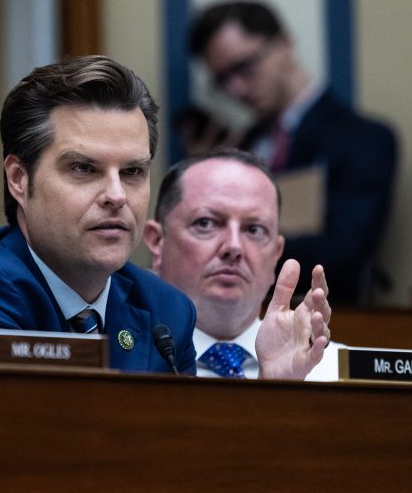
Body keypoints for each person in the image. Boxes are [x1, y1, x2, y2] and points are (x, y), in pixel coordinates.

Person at [0, 55, 330, 377]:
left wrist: (273, 393)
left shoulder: (164, 310)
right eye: (83, 169)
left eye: (132, 172)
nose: (116, 195)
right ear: (19, 178)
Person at [188, 0, 398, 305]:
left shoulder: (364, 139)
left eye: (243, 67)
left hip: (326, 321)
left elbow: (345, 253)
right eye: (223, 81)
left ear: (284, 44)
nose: (236, 90)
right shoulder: (239, 147)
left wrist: (242, 242)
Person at [144, 148, 342, 380]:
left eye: (254, 229)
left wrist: (284, 394)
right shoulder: (116, 363)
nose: (234, 247)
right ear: (157, 242)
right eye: (206, 223)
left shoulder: (339, 374)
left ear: (276, 254)